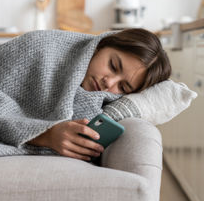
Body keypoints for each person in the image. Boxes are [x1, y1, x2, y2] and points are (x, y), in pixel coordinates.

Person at [27, 28, 172, 162]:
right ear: (103, 45)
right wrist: (46, 136)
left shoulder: (102, 108)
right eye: (113, 66)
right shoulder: (42, 46)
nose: (108, 83)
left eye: (122, 86)